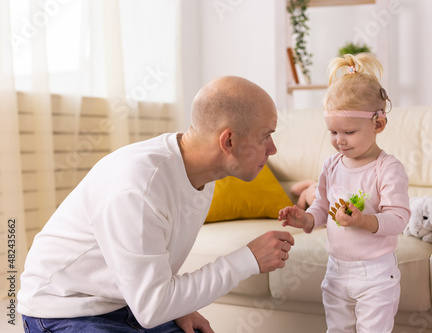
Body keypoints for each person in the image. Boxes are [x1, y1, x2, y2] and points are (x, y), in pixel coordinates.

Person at [18, 76, 295, 333]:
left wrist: (176, 306)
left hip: (129, 303)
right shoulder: (139, 186)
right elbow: (152, 307)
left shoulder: (202, 173)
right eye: (266, 135)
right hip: (65, 311)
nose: (273, 149)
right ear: (229, 141)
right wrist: (247, 259)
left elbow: (153, 283)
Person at [278, 53, 410, 333]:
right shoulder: (331, 165)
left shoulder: (387, 168)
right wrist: (306, 219)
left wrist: (364, 221)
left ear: (378, 124)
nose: (339, 141)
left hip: (375, 274)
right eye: (333, 132)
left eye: (348, 132)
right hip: (337, 270)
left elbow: (399, 219)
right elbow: (322, 208)